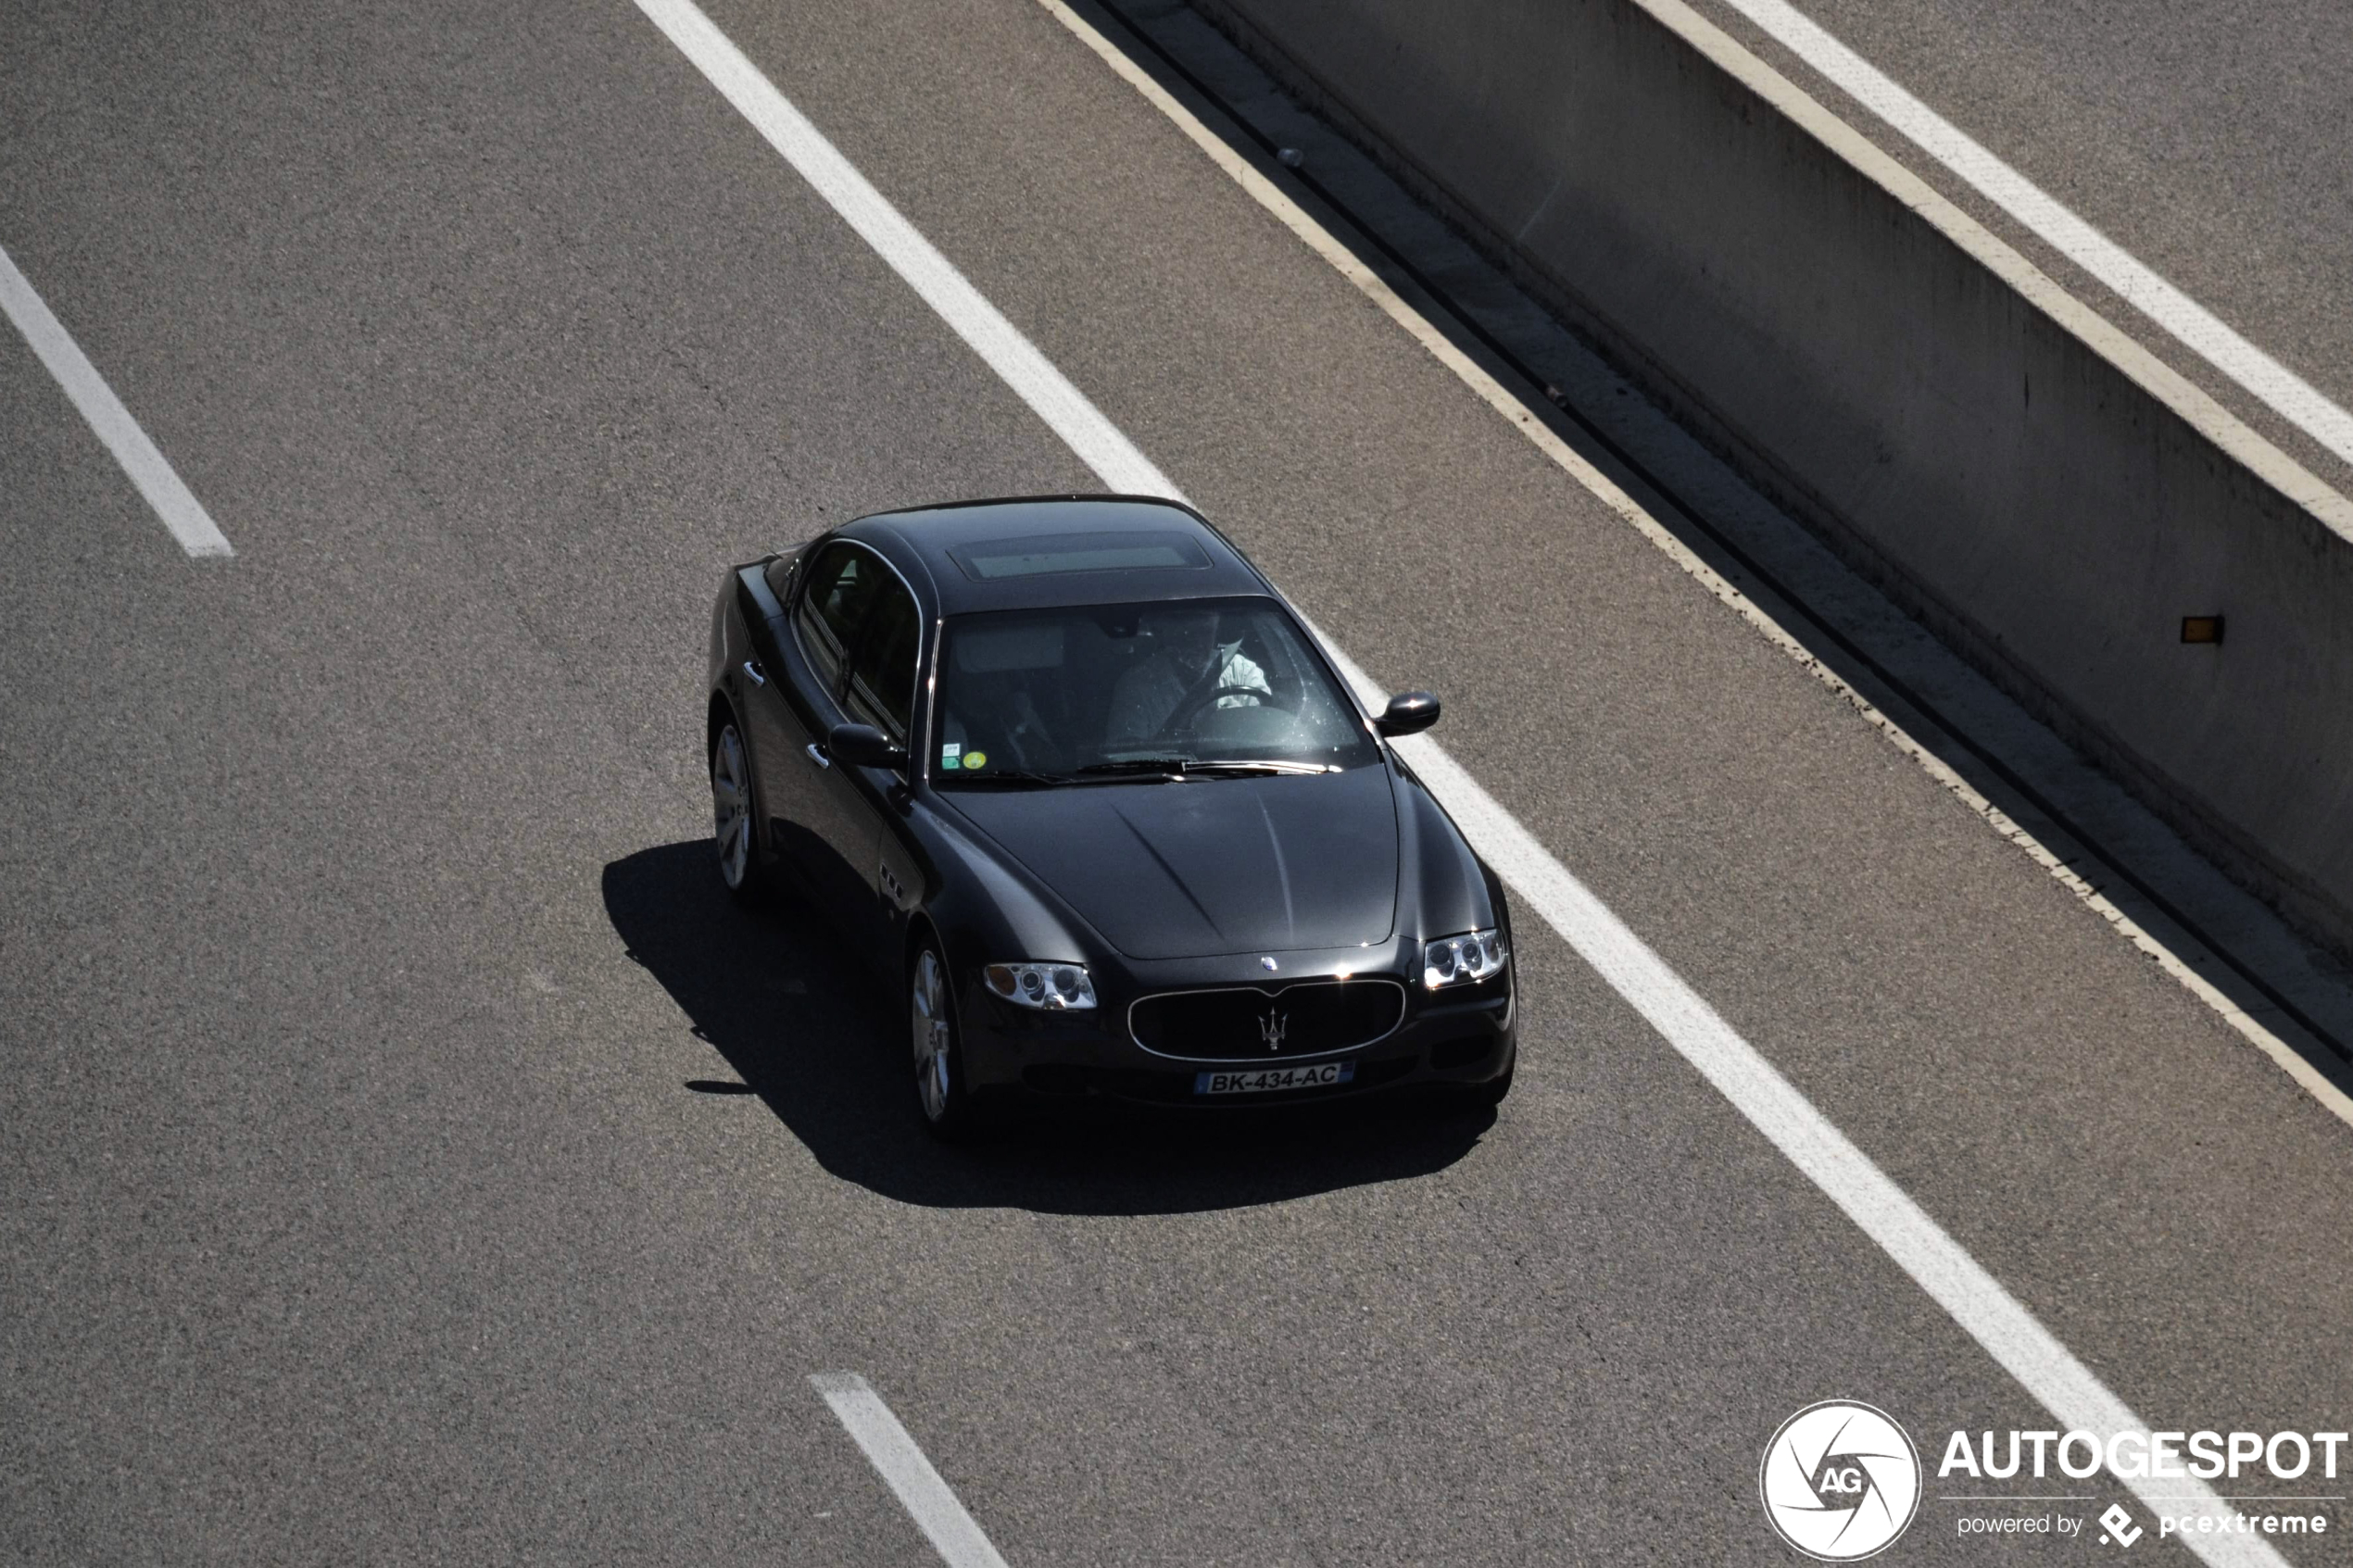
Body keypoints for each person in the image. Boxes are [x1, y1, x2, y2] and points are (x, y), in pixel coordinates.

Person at [1106, 608, 1270, 743]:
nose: (1197, 643)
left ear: (1216, 631)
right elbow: (1126, 757)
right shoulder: (1137, 685)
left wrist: (1231, 719)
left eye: (1205, 632)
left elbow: (1269, 731)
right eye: (1186, 634)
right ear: (1165, 635)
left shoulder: (1241, 671)